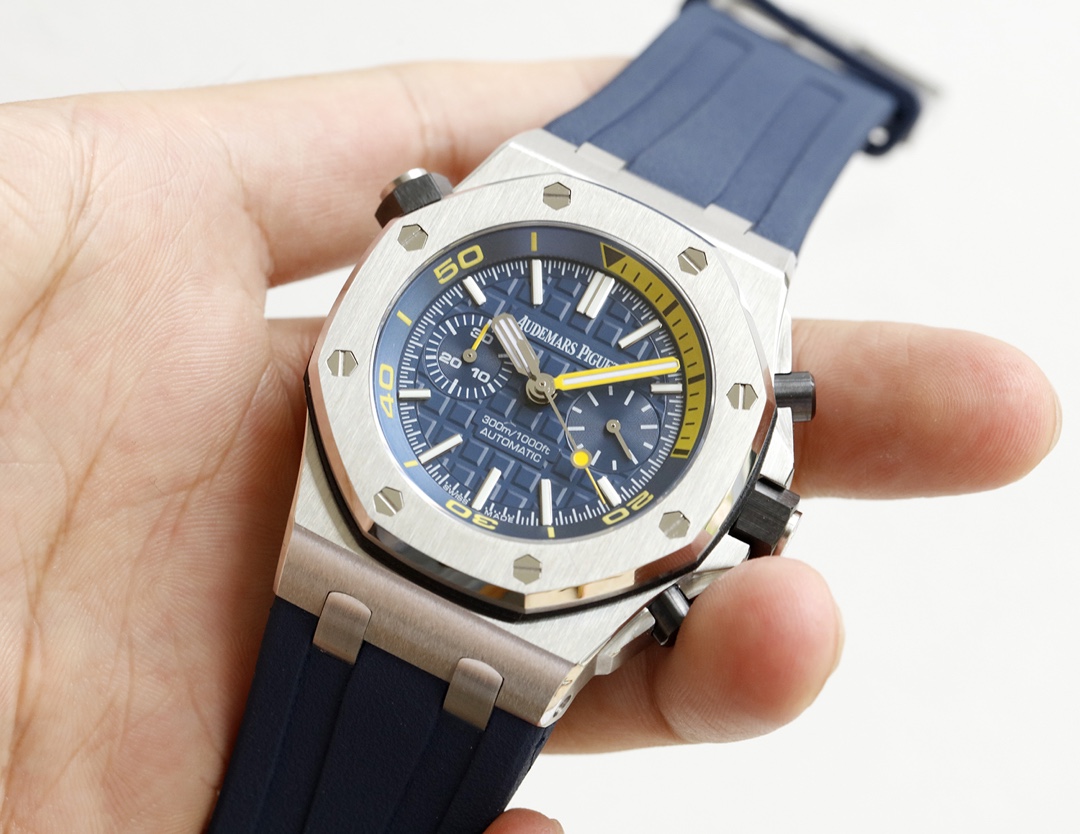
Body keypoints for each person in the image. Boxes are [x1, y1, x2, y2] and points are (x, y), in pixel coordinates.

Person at [0, 60, 1060, 833]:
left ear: (750, 504)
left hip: (520, 623)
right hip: (363, 535)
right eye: (534, 377)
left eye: (558, 389)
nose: (544, 389)